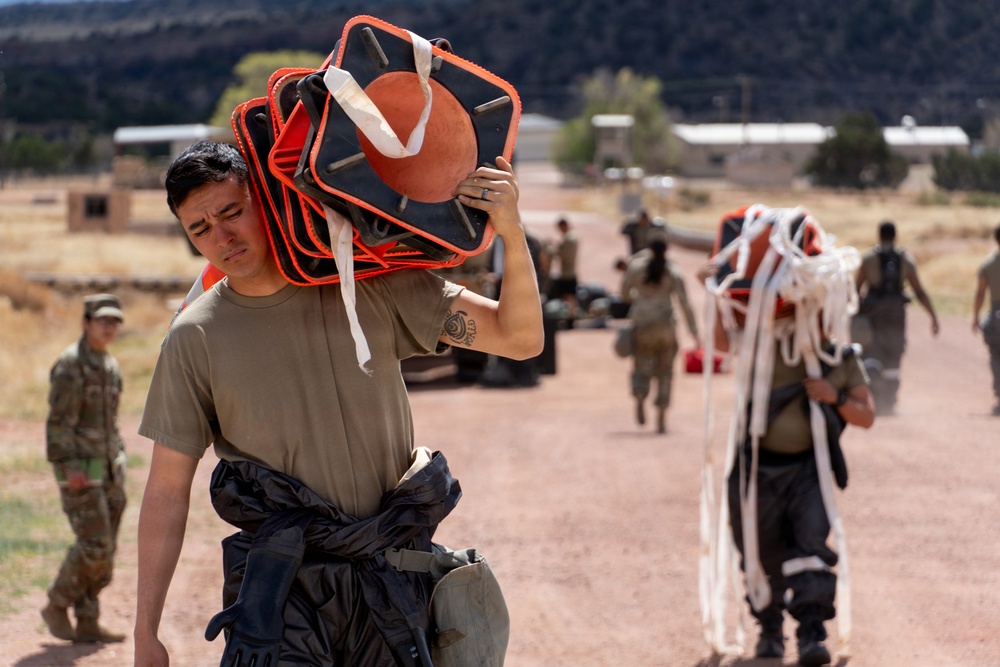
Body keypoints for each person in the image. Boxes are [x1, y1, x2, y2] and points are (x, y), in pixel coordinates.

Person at [133, 141, 543, 666]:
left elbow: (520, 337)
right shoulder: (194, 337)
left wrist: (510, 228)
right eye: (200, 229)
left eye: (232, 212)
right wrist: (146, 631)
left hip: (391, 585)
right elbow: (167, 490)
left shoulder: (371, 285)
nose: (222, 237)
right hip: (282, 599)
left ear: (267, 200)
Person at [42, 293, 127, 644]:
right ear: (86, 322)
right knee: (94, 544)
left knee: (105, 550)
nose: (110, 327)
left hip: (107, 468)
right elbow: (58, 424)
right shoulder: (70, 365)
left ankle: (88, 619)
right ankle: (56, 604)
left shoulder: (109, 365)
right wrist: (72, 467)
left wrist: (118, 457)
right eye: (103, 320)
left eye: (115, 321)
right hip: (79, 469)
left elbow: (111, 421)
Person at [855, 219, 939, 415]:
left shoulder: (868, 258)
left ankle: (874, 400)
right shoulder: (906, 259)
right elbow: (919, 291)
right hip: (896, 316)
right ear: (895, 236)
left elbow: (855, 291)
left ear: (879, 235)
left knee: (871, 355)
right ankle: (889, 403)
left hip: (872, 317)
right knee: (894, 358)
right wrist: (933, 316)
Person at [620, 231, 698, 433]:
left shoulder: (636, 267)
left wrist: (639, 296)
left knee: (641, 365)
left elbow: (624, 294)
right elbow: (685, 303)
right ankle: (662, 412)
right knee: (665, 372)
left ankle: (639, 393)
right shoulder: (672, 270)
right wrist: (694, 332)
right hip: (666, 327)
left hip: (642, 324)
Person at [972, 223, 1000, 415]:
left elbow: (980, 294)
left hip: (997, 316)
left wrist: (975, 317)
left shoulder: (988, 264)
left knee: (996, 358)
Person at [549, 216, 579, 324]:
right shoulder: (571, 236)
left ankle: (571, 319)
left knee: (569, 297)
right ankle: (570, 317)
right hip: (569, 271)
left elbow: (563, 254)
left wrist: (552, 249)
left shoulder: (569, 238)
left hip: (567, 272)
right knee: (569, 297)